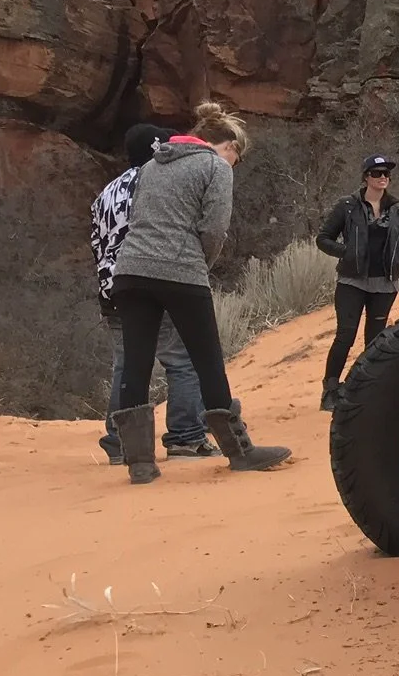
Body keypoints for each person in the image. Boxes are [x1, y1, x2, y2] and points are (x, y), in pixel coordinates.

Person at [108, 102, 290, 485]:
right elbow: (214, 228)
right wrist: (197, 263)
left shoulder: (152, 166)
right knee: (207, 360)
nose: (234, 164)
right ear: (225, 145)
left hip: (130, 271)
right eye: (236, 156)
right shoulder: (215, 167)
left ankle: (140, 463)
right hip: (180, 271)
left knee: (137, 364)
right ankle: (240, 453)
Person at [91, 123, 211, 463]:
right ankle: (186, 437)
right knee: (183, 358)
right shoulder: (154, 182)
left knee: (126, 364)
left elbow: (97, 245)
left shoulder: (106, 192)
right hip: (157, 279)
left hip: (113, 288)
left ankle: (120, 441)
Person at [315, 154, 399, 410]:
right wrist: (346, 253)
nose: (382, 178)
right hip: (352, 281)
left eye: (386, 174)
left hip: (384, 284)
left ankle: (366, 388)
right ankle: (330, 389)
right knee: (345, 335)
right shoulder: (347, 205)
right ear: (366, 177)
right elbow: (323, 238)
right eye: (376, 173)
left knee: (375, 340)